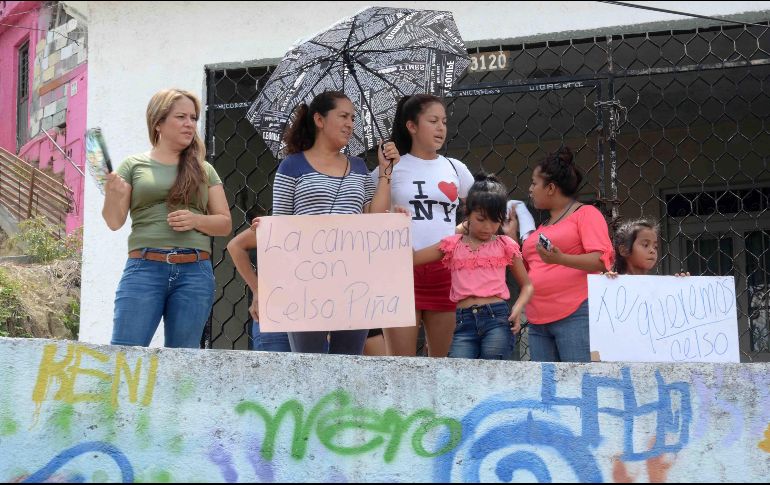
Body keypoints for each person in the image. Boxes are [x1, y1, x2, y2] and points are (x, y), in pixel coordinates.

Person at [244, 90, 400, 355]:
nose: (350, 123)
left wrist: (386, 172)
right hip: (305, 280)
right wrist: (265, 289)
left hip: (352, 278)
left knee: (348, 361)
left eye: (352, 117)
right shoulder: (291, 167)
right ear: (319, 119)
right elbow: (280, 233)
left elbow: (372, 217)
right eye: (343, 116)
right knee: (309, 364)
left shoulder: (360, 166)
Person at [103, 88, 231, 348]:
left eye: (193, 118)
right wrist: (112, 195)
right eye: (181, 117)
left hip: (194, 272)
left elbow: (224, 223)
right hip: (145, 268)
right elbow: (114, 222)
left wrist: (196, 221)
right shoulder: (133, 165)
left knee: (182, 363)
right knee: (125, 354)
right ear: (158, 123)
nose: (190, 124)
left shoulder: (204, 169)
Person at [376, 94, 474, 357]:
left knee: (441, 365)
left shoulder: (455, 168)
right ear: (412, 126)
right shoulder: (392, 167)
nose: (441, 127)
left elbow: (482, 212)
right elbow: (372, 215)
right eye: (433, 120)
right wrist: (386, 172)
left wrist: (457, 233)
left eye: (443, 121)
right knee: (401, 365)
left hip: (446, 270)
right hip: (400, 270)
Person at [412, 173, 534, 360]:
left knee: (493, 377)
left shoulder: (505, 244)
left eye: (495, 220)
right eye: (481, 219)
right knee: (460, 378)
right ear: (467, 214)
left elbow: (527, 285)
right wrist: (401, 224)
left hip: (498, 319)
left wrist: (517, 310)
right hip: (462, 321)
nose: (488, 227)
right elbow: (413, 258)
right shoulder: (452, 244)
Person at [521, 146, 613, 362]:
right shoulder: (542, 227)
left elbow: (602, 260)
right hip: (537, 319)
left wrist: (561, 259)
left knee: (577, 384)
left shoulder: (586, 214)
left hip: (574, 314)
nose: (530, 189)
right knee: (545, 389)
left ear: (551, 188)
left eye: (534, 183)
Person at [604, 218, 690, 277]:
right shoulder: (612, 282)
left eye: (655, 247)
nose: (652, 251)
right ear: (624, 250)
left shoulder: (659, 287)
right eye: (645, 245)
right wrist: (606, 282)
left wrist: (682, 285)